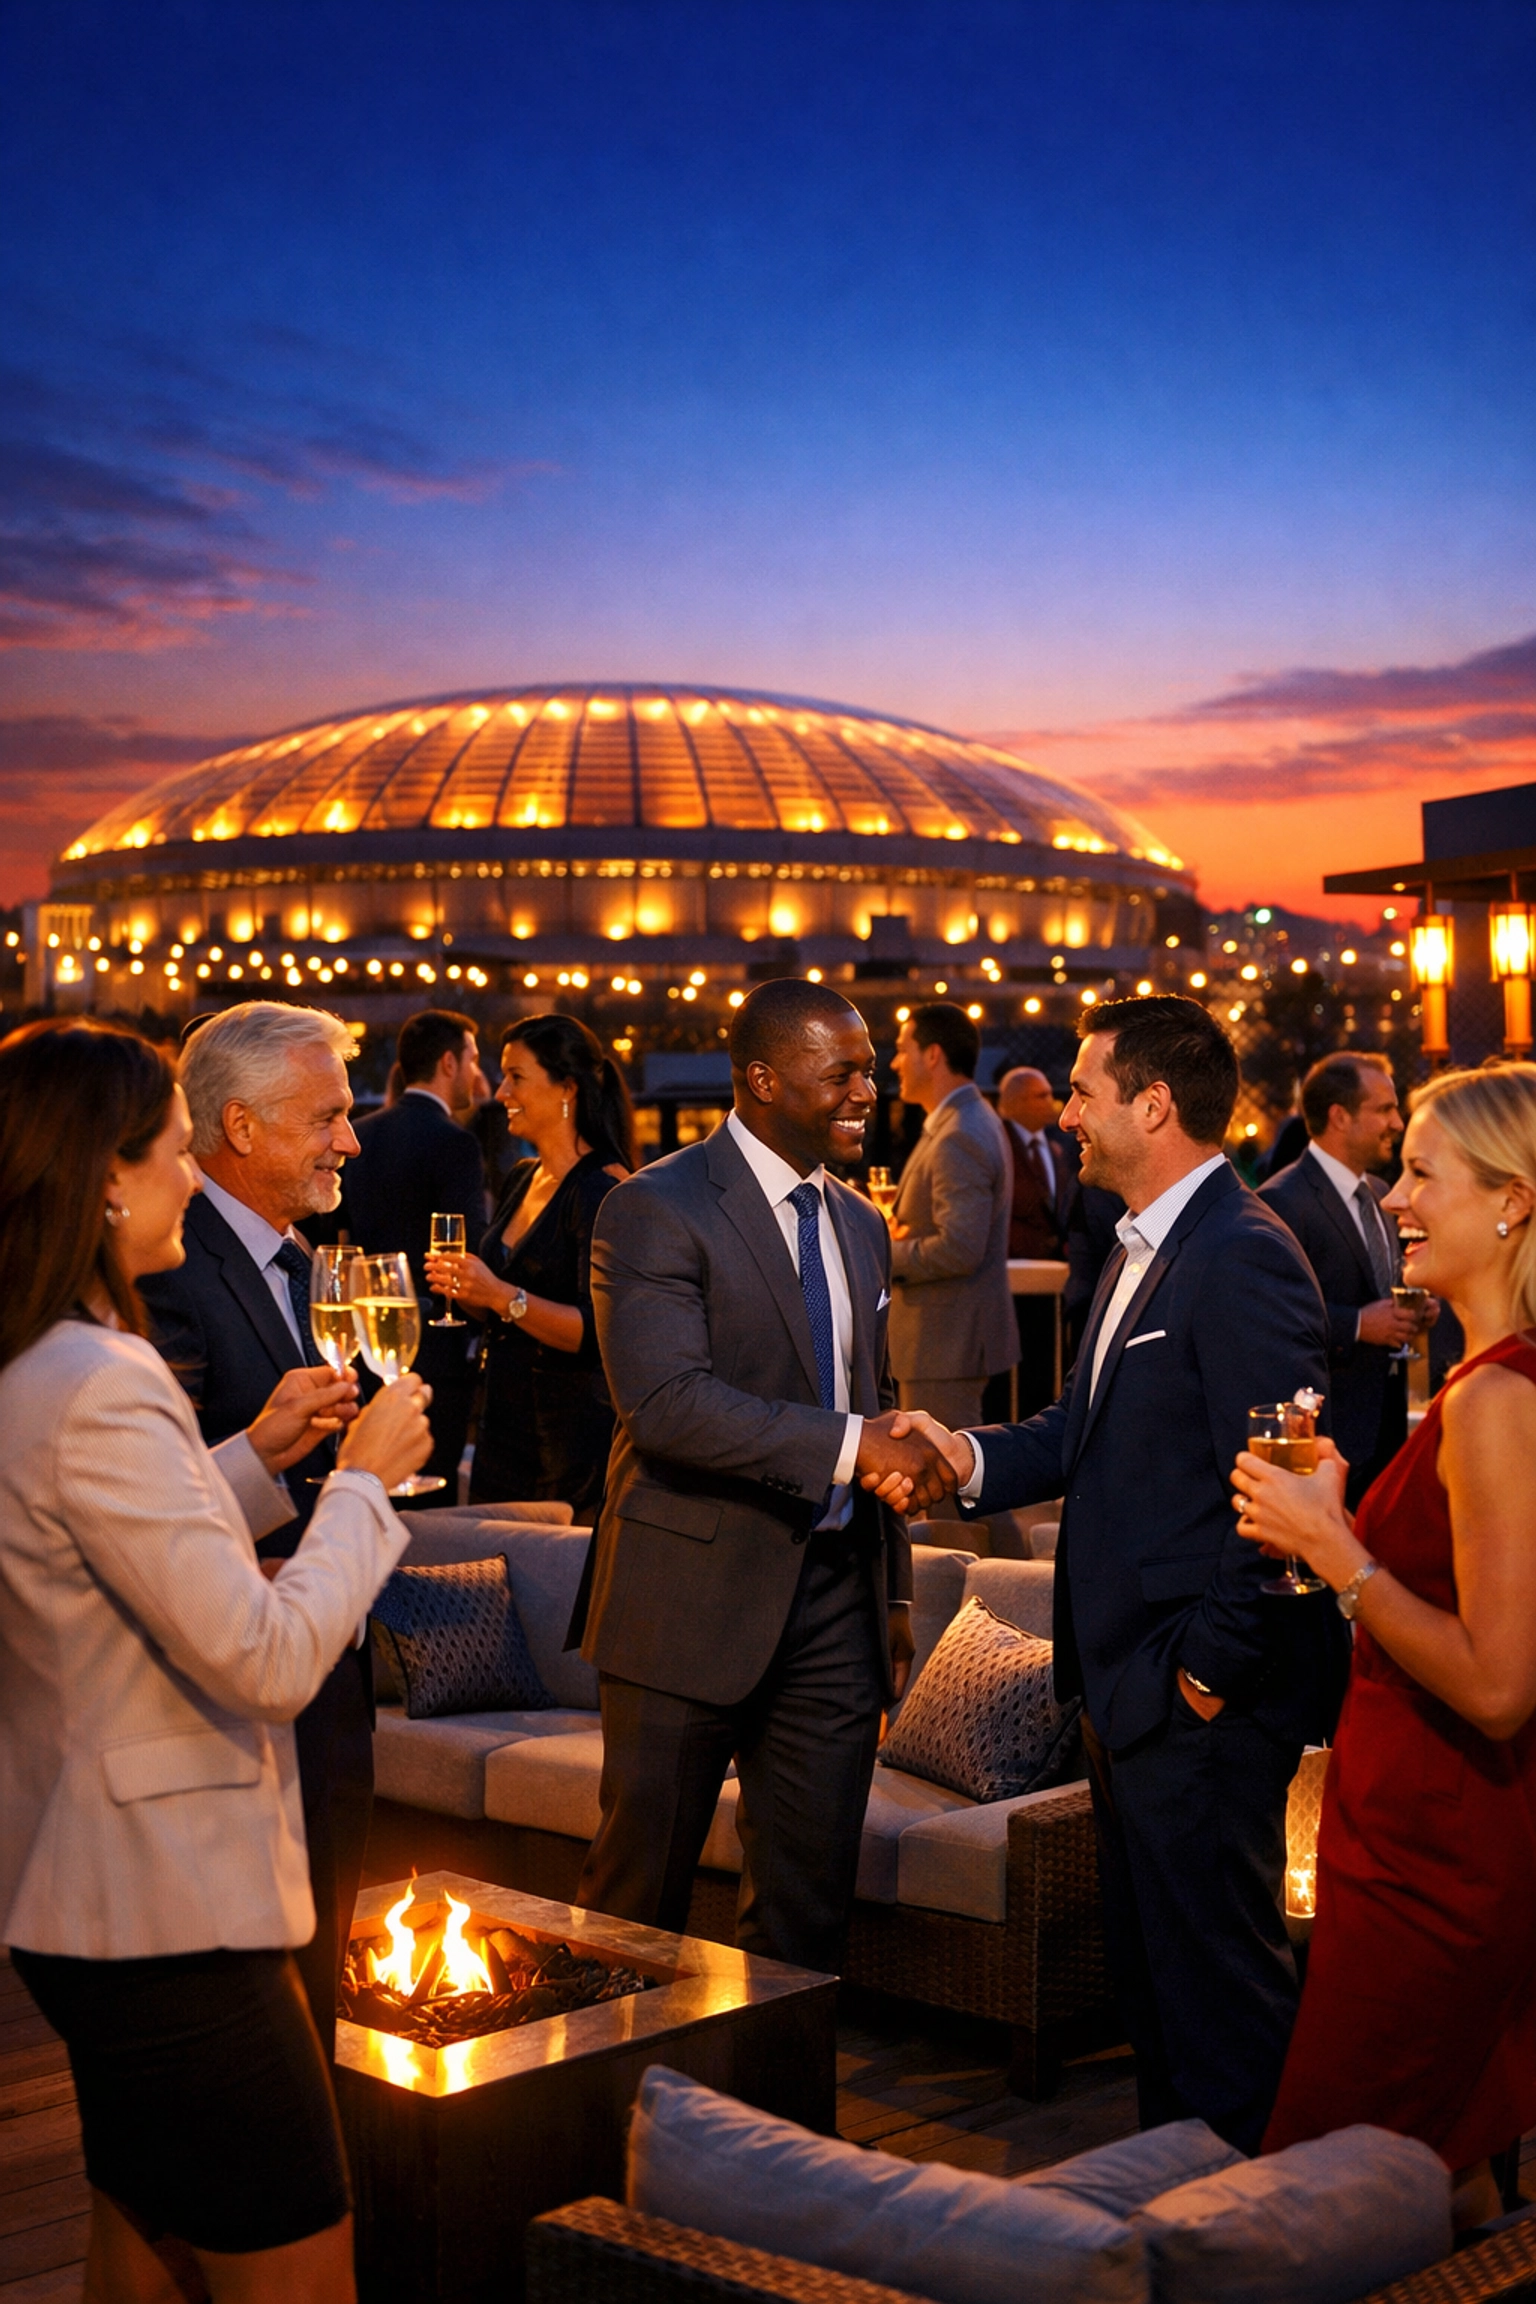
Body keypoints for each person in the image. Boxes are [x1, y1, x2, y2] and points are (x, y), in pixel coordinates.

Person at [0, 1018, 430, 2304]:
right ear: (106, 1179)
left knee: (143, 2237)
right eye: (176, 1152)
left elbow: (105, 1550)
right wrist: (362, 1487)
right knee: (298, 2250)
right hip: (174, 1916)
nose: (194, 1175)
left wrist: (255, 1458)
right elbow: (264, 1658)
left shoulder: (31, 1365)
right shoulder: (107, 1377)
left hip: (77, 1897)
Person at [897, 995, 1348, 2152]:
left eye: (1088, 1094)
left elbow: (1276, 1493)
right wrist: (967, 1456)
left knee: (1220, 2014)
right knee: (1158, 2006)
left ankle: (1256, 2244)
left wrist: (1203, 1673)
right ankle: (1180, 2226)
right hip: (1127, 1698)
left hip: (1191, 1706)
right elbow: (1077, 1429)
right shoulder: (1145, 1245)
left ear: (1155, 1104)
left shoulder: (1241, 1255)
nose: (1069, 1118)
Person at [571, 978, 956, 1972]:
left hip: (836, 1606)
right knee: (633, 1907)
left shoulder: (861, 1224)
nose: (871, 1090)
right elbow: (665, 1407)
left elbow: (872, 1399)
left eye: (873, 1069)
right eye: (845, 1073)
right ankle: (602, 2123)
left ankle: (773, 2127)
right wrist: (851, 1445)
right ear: (762, 1080)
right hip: (684, 1606)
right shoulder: (651, 1207)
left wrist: (894, 1590)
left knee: (806, 1915)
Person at [1233, 1062, 1536, 2228]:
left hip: (1438, 1853)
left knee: (1334, 2183)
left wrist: (1336, 1551)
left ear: (1510, 1201)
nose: (1395, 1198)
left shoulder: (1497, 1400)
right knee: (1430, 2182)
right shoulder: (1482, 1381)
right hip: (1410, 1827)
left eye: (1420, 1174)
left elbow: (1502, 1686)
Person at [138, 1001, 375, 2056]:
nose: (350, 1140)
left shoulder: (303, 1262)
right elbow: (162, 1494)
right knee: (260, 2020)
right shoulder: (174, 1272)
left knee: (319, 1965)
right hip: (236, 1684)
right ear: (240, 1128)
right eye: (326, 1116)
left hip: (324, 1663)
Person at [424, 1014, 633, 1519]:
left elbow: (596, 1332)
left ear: (567, 1088)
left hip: (567, 1443)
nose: (499, 1093)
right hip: (502, 1425)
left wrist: (498, 1294)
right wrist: (472, 1295)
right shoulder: (523, 1176)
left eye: (515, 1077)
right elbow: (502, 1305)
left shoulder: (604, 1189)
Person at [1259, 1053, 1430, 1507]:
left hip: (1390, 1428)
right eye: (1384, 1110)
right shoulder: (1280, 1201)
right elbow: (1268, 1315)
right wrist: (1357, 1325)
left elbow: (1380, 1289)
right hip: (1334, 1433)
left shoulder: (1377, 1192)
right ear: (1339, 1116)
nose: (1397, 1122)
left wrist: (1412, 1312)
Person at [341, 1008, 488, 1488]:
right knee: (430, 1498)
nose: (475, 1073)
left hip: (361, 1347)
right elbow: (471, 1254)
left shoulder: (358, 1136)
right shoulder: (455, 1144)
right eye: (472, 1060)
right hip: (435, 1357)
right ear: (449, 1063)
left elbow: (329, 1240)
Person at [883, 1003, 1016, 1440]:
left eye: (903, 1050)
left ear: (933, 1055)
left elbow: (959, 1247)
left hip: (943, 1345)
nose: (895, 1062)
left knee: (949, 1491)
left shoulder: (959, 1133)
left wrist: (884, 1249)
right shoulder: (966, 1122)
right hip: (947, 1344)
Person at [995, 1065, 1080, 1416]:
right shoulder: (998, 1144)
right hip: (1013, 1285)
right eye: (1040, 1095)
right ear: (1014, 1101)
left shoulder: (1060, 1146)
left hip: (1054, 1287)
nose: (1053, 1102)